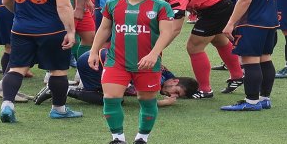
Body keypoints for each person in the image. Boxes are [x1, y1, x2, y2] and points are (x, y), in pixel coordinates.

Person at [88, 0, 176, 144]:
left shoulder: (160, 6)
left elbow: (166, 33)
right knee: (111, 98)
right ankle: (117, 139)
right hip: (116, 61)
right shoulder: (113, 4)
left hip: (147, 63)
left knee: (146, 100)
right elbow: (104, 29)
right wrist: (94, 51)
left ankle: (142, 139)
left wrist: (153, 54)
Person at [0, 0, 83, 123]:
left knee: (17, 68)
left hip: (20, 29)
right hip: (51, 31)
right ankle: (59, 109)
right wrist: (70, 31)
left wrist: (21, 14)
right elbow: (63, 6)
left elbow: (5, 0)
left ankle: (7, 105)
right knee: (58, 71)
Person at [148, 0, 242, 97]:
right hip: (214, 3)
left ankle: (205, 90)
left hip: (216, 10)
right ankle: (238, 76)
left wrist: (154, 51)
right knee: (219, 40)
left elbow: (174, 29)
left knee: (194, 47)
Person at [221, 0, 278, 111]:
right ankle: (264, 98)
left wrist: (230, 23)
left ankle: (251, 102)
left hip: (251, 23)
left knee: (250, 61)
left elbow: (244, 1)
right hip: (269, 22)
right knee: (265, 59)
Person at [34, 49, 198, 106]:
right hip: (99, 62)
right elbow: (143, 99)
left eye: (177, 96)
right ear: (175, 81)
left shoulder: (166, 75)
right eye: (176, 91)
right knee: (114, 99)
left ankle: (67, 87)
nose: (173, 95)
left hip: (101, 57)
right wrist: (162, 103)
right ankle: (63, 89)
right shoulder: (158, 78)